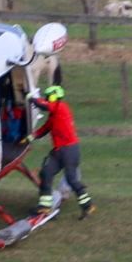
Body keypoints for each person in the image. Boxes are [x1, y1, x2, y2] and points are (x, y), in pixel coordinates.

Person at [32, 85, 92, 218]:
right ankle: (45, 206)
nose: (47, 99)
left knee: (71, 179)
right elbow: (44, 129)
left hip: (69, 150)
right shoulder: (54, 115)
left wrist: (32, 98)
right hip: (59, 151)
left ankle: (87, 206)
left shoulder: (61, 107)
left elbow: (44, 105)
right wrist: (31, 137)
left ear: (54, 96)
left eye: (48, 97)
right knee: (46, 173)